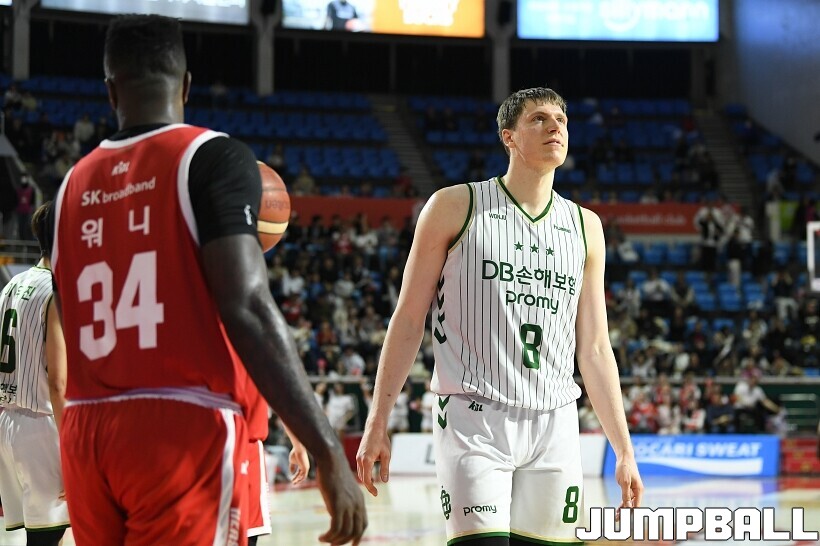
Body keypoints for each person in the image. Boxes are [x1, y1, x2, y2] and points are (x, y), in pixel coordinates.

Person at [50, 15, 365, 546]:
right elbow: (247, 304)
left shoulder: (70, 187)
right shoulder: (211, 157)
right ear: (187, 84)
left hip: (86, 429)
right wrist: (328, 449)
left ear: (110, 91)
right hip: (179, 424)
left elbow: (68, 323)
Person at [356, 87, 642, 546]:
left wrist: (624, 449)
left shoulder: (586, 226)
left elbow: (593, 347)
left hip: (556, 424)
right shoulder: (454, 206)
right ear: (509, 137)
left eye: (561, 120)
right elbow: (408, 319)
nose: (554, 127)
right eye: (539, 119)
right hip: (474, 418)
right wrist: (378, 421)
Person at [0, 201, 70, 546]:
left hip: (7, 423)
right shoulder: (55, 290)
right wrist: (72, 449)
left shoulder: (11, 285)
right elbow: (58, 383)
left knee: (43, 538)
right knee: (47, 540)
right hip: (42, 426)